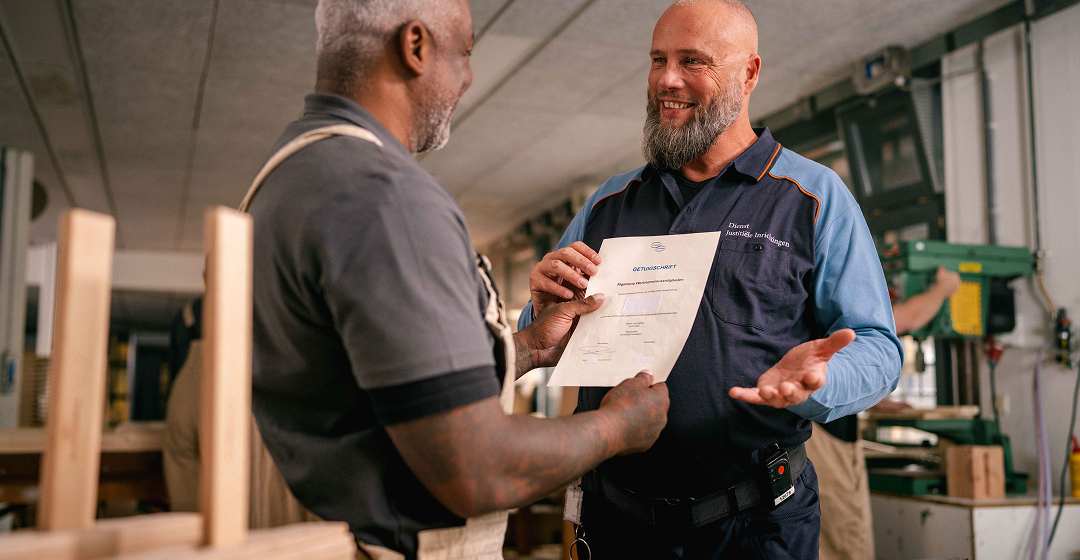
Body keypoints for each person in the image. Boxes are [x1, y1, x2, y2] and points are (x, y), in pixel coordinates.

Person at [244, 1, 670, 559]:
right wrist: (615, 427)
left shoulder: (283, 177)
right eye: (465, 53)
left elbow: (371, 382)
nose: (468, 78)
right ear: (415, 46)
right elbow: (476, 469)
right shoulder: (386, 197)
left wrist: (528, 348)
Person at [519, 0, 903, 557]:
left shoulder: (811, 197)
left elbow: (878, 347)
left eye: (691, 61)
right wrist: (538, 309)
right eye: (657, 59)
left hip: (755, 526)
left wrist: (821, 383)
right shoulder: (607, 205)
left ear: (748, 74)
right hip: (618, 522)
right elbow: (552, 338)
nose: (666, 80)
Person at [808, 265, 960, 560]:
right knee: (844, 537)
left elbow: (843, 364)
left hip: (827, 432)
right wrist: (944, 288)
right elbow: (907, 319)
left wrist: (875, 400)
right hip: (822, 437)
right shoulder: (828, 293)